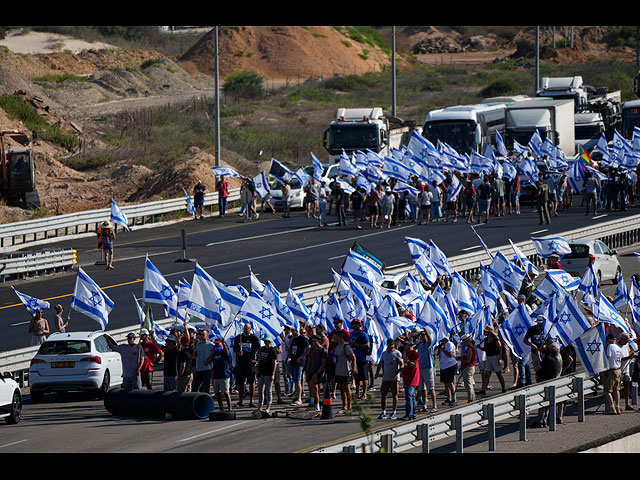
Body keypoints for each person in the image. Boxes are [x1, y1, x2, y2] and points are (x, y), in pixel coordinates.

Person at [530, 341, 562, 427]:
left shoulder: (547, 359)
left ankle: (540, 420)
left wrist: (539, 357)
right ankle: (545, 419)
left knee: (542, 403)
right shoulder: (555, 360)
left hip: (544, 383)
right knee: (548, 404)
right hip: (551, 382)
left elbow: (538, 368)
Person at [233, 323, 261, 408]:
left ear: (250, 329)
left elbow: (258, 349)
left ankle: (251, 401)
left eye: (247, 329)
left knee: (251, 382)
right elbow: (235, 348)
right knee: (241, 383)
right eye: (244, 328)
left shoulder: (253, 338)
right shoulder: (239, 337)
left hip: (250, 364)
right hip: (241, 363)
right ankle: (240, 401)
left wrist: (256, 358)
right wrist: (238, 352)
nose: (245, 330)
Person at [375, 338, 404, 419]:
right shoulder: (384, 354)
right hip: (386, 377)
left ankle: (394, 411)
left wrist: (397, 372)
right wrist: (377, 372)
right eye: (389, 345)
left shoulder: (397, 353)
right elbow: (381, 363)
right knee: (383, 394)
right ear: (387, 345)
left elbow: (402, 364)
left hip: (394, 378)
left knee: (395, 395)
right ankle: (383, 411)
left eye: (392, 345)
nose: (391, 346)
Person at [478, 326, 506, 395]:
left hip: (495, 357)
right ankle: (483, 390)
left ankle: (503, 388)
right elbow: (486, 349)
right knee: (487, 374)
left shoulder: (496, 340)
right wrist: (480, 348)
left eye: (485, 331)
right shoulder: (485, 340)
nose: (484, 333)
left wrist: (500, 358)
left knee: (498, 374)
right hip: (489, 357)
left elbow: (500, 349)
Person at [207, 338, 233, 412]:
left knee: (225, 392)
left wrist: (224, 344)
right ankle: (221, 408)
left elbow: (227, 353)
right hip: (216, 375)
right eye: (215, 344)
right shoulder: (215, 353)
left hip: (224, 374)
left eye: (218, 343)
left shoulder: (224, 352)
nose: (216, 345)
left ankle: (229, 408)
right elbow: (208, 362)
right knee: (217, 393)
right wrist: (212, 353)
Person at [333, 331, 356, 412]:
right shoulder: (337, 347)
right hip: (339, 370)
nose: (334, 338)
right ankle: (344, 405)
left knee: (347, 388)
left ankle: (349, 405)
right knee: (341, 389)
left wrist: (353, 368)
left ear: (339, 337)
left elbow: (352, 356)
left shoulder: (345, 346)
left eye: (335, 337)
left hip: (346, 370)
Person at [255, 333, 278, 414]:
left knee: (268, 390)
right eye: (264, 340)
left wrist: (273, 373)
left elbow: (274, 362)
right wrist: (257, 370)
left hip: (268, 372)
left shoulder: (272, 350)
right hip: (261, 371)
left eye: (266, 340)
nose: (265, 342)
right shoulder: (262, 349)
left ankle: (268, 405)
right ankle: (260, 405)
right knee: (260, 390)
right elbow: (259, 360)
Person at [349, 318, 370, 400]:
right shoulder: (351, 334)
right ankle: (357, 393)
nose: (355, 325)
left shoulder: (363, 334)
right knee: (357, 377)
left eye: (356, 324)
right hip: (354, 358)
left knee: (364, 377)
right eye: (353, 324)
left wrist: (356, 345)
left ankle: (364, 393)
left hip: (362, 358)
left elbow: (367, 345)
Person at [417, 329, 437, 413]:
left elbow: (429, 338)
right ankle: (424, 405)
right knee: (422, 389)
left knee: (431, 388)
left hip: (428, 368)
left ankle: (434, 406)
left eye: (423, 335)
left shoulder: (429, 345)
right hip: (420, 368)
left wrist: (424, 328)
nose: (422, 337)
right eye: (421, 336)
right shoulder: (420, 346)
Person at [306, 335, 328, 411]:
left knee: (316, 389)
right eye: (312, 341)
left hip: (320, 372)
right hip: (312, 370)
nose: (313, 343)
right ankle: (315, 403)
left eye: (315, 341)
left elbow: (323, 364)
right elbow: (309, 361)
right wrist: (307, 371)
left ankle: (317, 405)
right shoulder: (312, 350)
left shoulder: (323, 350)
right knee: (313, 389)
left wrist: (317, 373)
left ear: (319, 341)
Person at [287, 327, 309, 406]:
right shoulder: (294, 339)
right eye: (292, 331)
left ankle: (299, 399)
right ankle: (296, 397)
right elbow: (290, 347)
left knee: (298, 380)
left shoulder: (302, 338)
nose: (292, 332)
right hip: (293, 361)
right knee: (294, 380)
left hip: (299, 362)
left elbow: (308, 348)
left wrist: (301, 357)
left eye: (294, 330)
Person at [618, 332, 638, 411]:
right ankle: (618, 404)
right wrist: (629, 357)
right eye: (626, 340)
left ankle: (627, 404)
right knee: (617, 388)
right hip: (619, 369)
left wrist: (632, 356)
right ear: (622, 339)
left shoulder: (626, 345)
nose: (627, 342)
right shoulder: (616, 347)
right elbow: (618, 359)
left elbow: (628, 353)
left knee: (627, 386)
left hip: (626, 369)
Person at [437, 334, 458, 406]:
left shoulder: (449, 344)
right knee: (445, 383)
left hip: (450, 365)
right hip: (444, 366)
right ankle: (448, 398)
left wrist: (443, 349)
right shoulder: (442, 345)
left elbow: (450, 355)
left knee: (450, 383)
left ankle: (454, 398)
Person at [401, 339, 420, 420]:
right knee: (411, 397)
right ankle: (412, 413)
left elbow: (414, 365)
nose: (404, 346)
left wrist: (406, 360)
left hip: (412, 379)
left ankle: (410, 414)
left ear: (410, 345)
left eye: (405, 344)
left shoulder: (413, 354)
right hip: (407, 378)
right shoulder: (408, 353)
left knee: (409, 397)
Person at [192, 329, 215, 394]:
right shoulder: (198, 344)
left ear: (207, 335)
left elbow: (218, 351)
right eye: (200, 335)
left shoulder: (211, 345)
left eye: (203, 335)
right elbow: (195, 355)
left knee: (205, 386)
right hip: (199, 368)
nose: (201, 336)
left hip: (207, 368)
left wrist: (209, 360)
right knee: (195, 386)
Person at [459, 334, 477, 403]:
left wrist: (460, 359)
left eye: (464, 341)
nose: (464, 343)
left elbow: (468, 360)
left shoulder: (470, 349)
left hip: (469, 367)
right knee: (468, 384)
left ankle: (471, 399)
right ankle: (472, 397)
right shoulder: (468, 348)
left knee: (468, 384)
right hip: (467, 368)